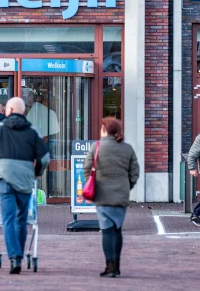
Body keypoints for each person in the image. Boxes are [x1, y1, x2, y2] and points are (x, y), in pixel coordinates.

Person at [0, 97, 49, 274]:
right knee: (21, 219)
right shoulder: (33, 130)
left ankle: (15, 257)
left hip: (5, 179)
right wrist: (37, 172)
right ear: (23, 111)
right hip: (25, 180)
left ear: (8, 110)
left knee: (8, 218)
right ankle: (19, 255)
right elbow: (45, 158)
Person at [83, 117, 139, 278]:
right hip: (121, 195)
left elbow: (87, 169)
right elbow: (134, 171)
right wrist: (127, 186)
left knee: (107, 230)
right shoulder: (127, 148)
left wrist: (92, 184)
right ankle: (117, 265)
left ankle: (110, 266)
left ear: (105, 130)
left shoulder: (97, 147)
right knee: (117, 229)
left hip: (102, 195)